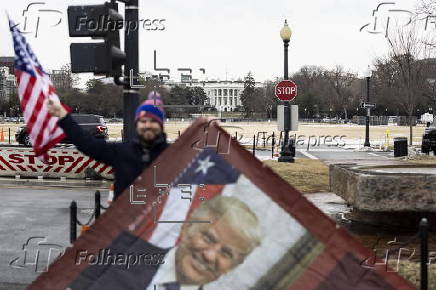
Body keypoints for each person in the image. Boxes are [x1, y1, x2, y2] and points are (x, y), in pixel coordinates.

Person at [68, 196, 262, 290]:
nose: (210, 255)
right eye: (208, 238)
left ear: (235, 265)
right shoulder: (117, 254)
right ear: (187, 228)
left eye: (226, 253)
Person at [46, 97, 169, 200]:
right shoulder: (122, 152)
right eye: (143, 121)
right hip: (123, 224)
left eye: (153, 121)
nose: (147, 125)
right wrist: (63, 115)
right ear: (137, 125)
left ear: (161, 124)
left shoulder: (174, 154)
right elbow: (87, 144)